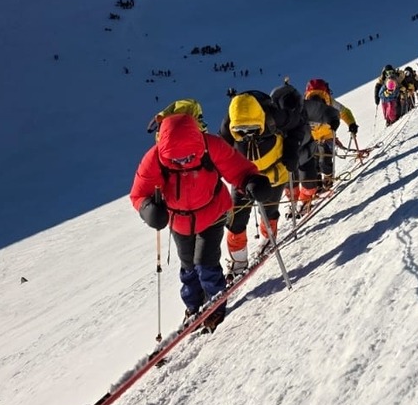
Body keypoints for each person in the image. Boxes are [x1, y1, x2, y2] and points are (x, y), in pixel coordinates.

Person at [130, 104, 268, 326]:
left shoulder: (210, 146)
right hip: (179, 220)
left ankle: (215, 306)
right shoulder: (154, 158)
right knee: (188, 266)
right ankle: (193, 306)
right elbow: (139, 194)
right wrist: (148, 210)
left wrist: (251, 181)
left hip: (213, 212)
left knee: (205, 262)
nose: (183, 163)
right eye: (177, 160)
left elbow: (237, 168)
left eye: (188, 158)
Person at [220, 90, 303, 275]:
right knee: (235, 220)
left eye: (252, 129)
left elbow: (298, 124)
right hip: (243, 178)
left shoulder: (275, 117)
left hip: (274, 174)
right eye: (240, 131)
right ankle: (238, 262)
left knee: (269, 211)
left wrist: (292, 152)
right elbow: (220, 153)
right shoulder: (227, 126)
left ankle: (267, 240)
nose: (247, 134)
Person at [300, 78, 343, 212]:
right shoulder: (310, 107)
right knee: (313, 164)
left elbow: (344, 112)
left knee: (323, 160)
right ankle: (317, 186)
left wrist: (351, 124)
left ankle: (327, 180)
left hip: (326, 138)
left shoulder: (329, 104)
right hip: (312, 139)